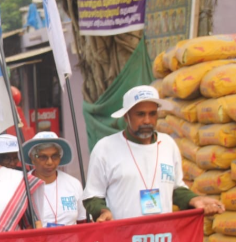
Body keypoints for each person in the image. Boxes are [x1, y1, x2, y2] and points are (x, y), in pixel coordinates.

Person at [83, 86, 226, 221]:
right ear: (126, 116)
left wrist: (194, 199)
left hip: (161, 239)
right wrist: (103, 211)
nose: (147, 120)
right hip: (122, 237)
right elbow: (92, 195)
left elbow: (175, 188)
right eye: (140, 114)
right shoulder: (105, 148)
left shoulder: (168, 144)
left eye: (152, 114)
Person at [23, 132, 86, 227]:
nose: (50, 162)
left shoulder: (74, 183)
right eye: (43, 157)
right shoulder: (23, 185)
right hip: (38, 241)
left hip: (71, 241)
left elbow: (82, 222)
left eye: (55, 156)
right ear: (32, 158)